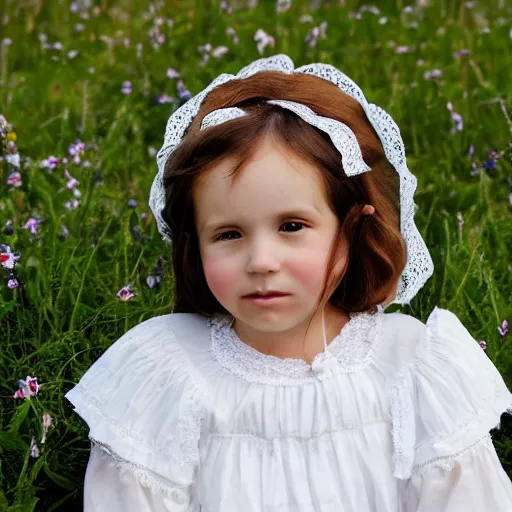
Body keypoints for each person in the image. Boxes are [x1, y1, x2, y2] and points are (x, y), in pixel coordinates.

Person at [65, 54, 512, 511]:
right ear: (193, 243)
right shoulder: (170, 371)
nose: (261, 261)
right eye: (228, 234)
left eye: (292, 227)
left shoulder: (410, 366)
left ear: (353, 228)